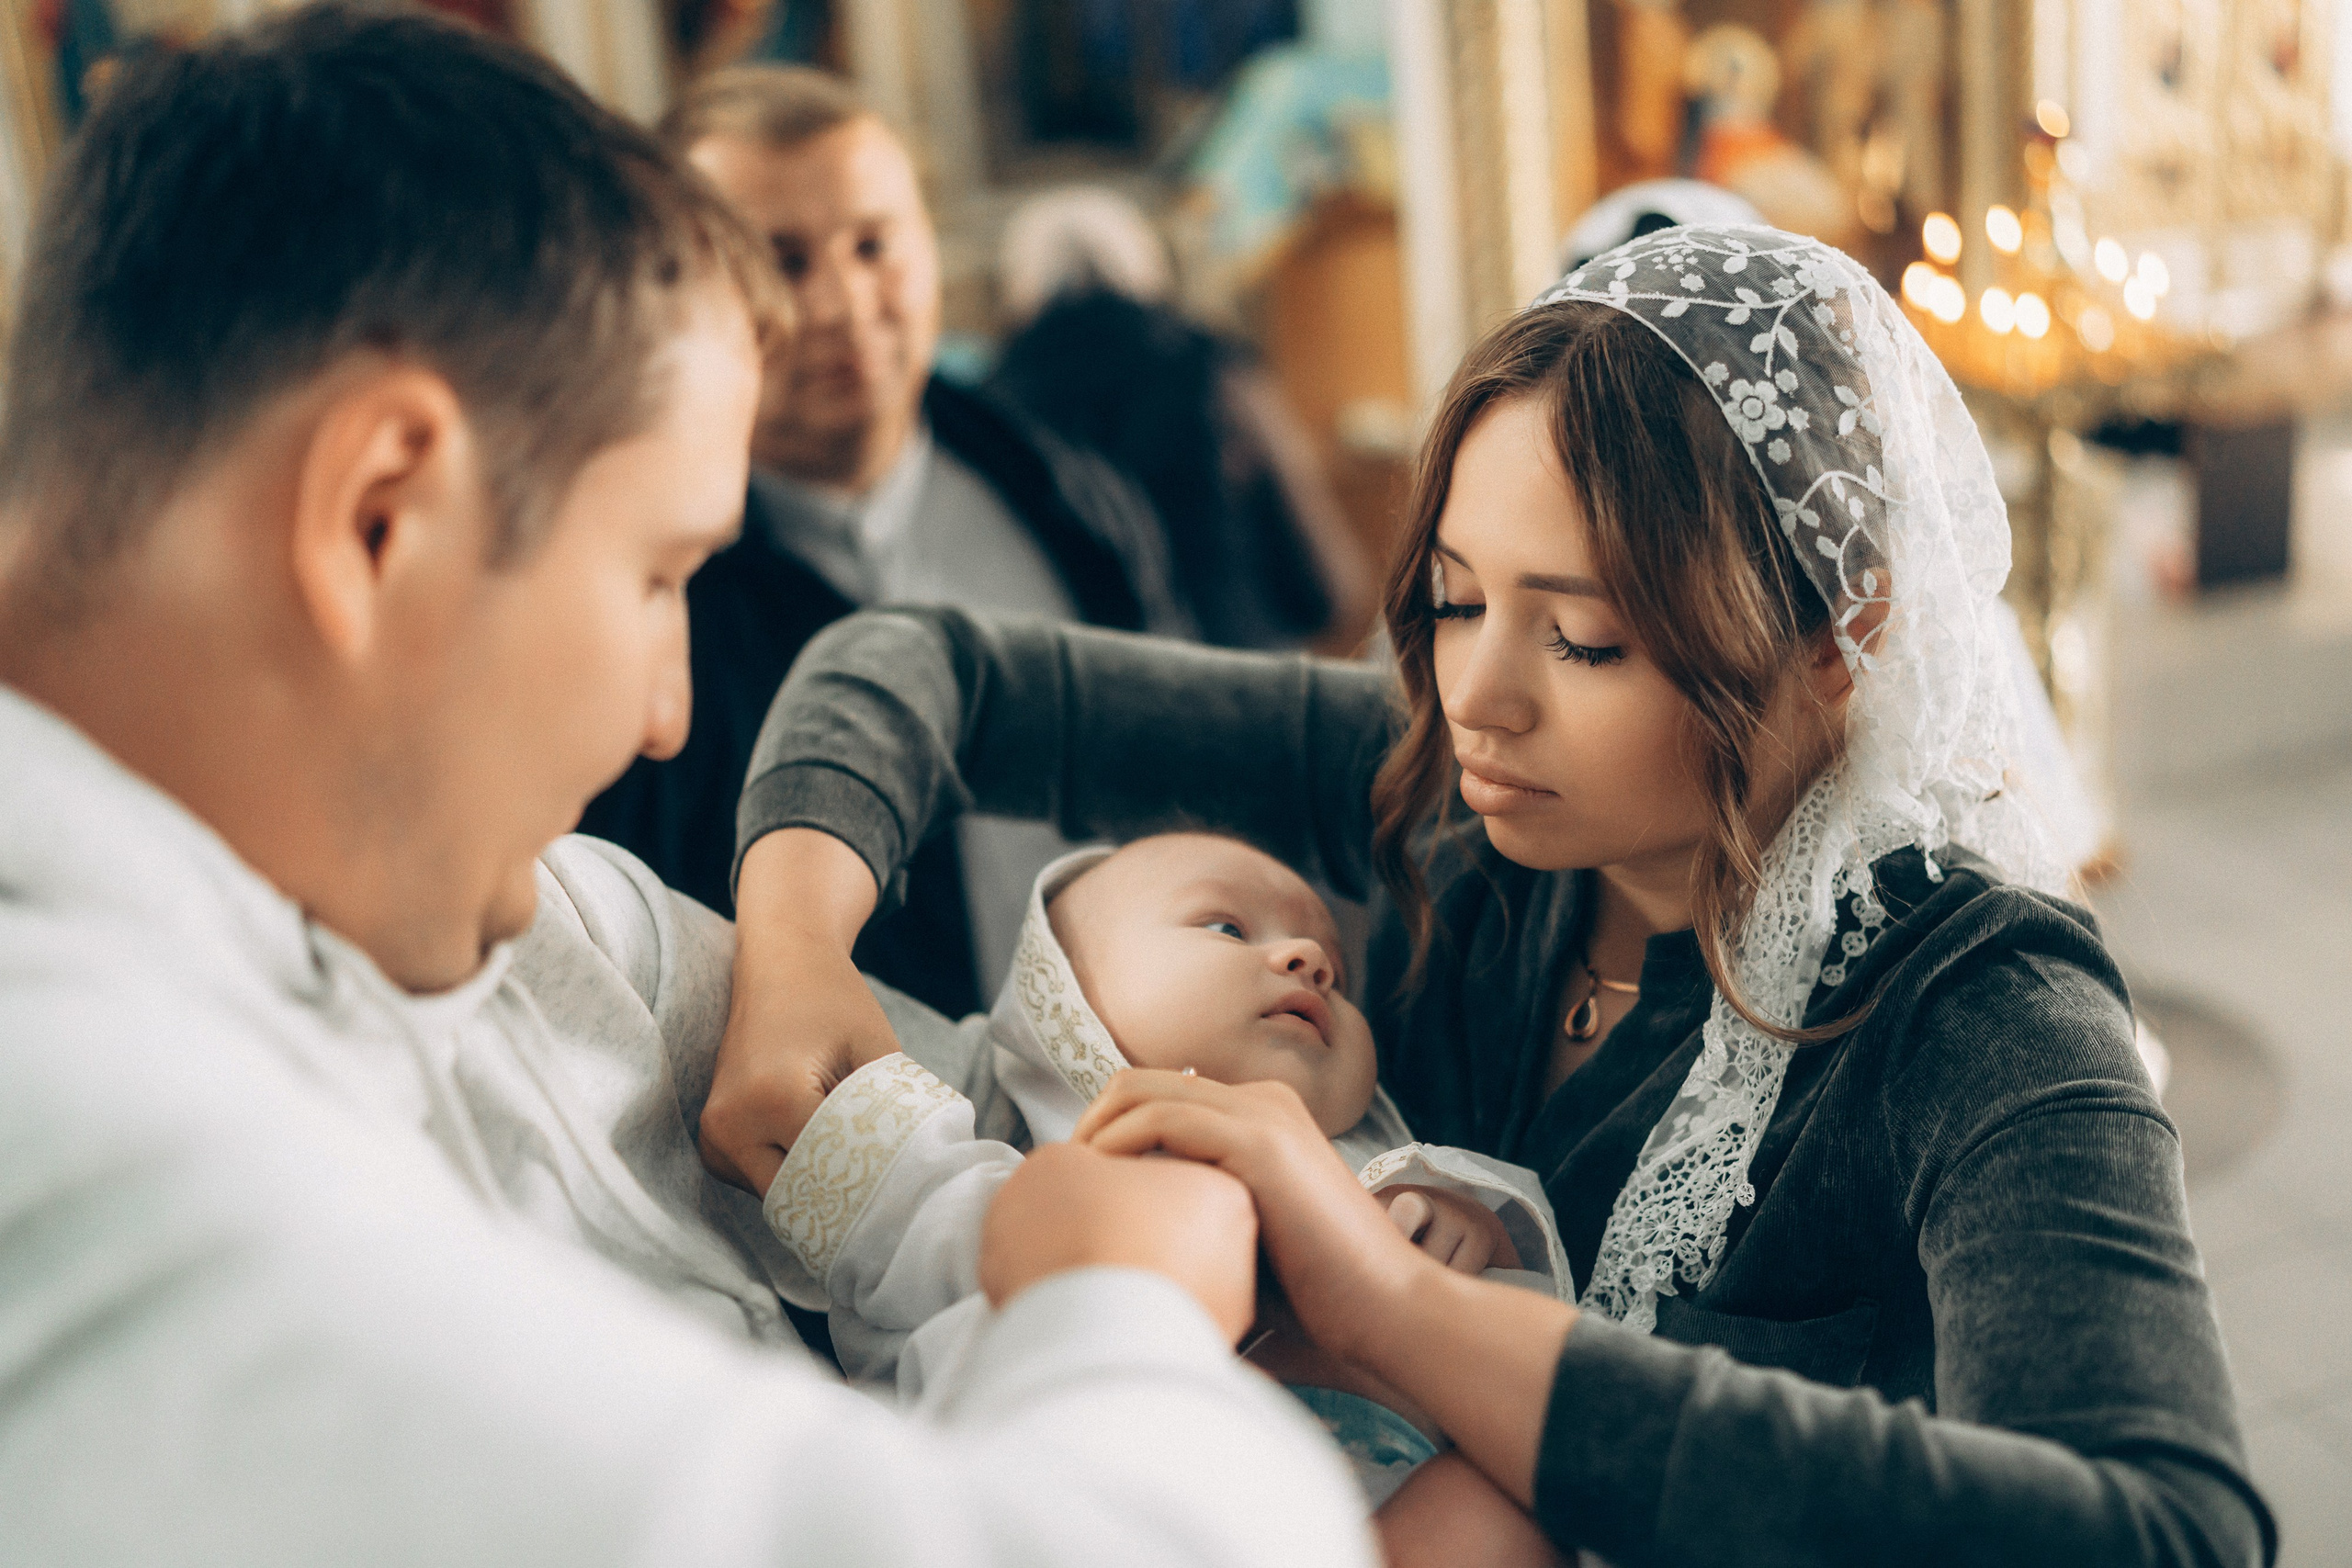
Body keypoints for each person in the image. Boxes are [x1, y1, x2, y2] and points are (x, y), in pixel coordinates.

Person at [0, 10, 1373, 1564]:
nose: (668, 720)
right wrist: (1124, 1297)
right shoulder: (75, 1138)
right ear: (381, 518)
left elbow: (983, 1107)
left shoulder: (561, 926)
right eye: (662, 576)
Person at [704, 225, 2274, 1565]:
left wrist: (1393, 1305)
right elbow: (929, 667)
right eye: (1455, 600)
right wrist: (791, 943)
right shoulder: (1457, 801)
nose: (1480, 699)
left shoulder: (1980, 1009)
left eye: (1582, 638)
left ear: (1837, 640)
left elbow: (2161, 1524)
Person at [579, 66, 1186, 1021]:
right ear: (681, 286)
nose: (842, 302)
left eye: (873, 244)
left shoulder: (1073, 499)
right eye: (781, 259)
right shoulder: (642, 591)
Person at [762, 831, 1568, 1529]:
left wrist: (1476, 1236)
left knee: (1500, 1512)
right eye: (1226, 925)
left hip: (1379, 1507)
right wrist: (852, 1126)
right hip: (1112, 1471)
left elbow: (1530, 1350)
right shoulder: (1022, 1152)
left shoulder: (1382, 1173)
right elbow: (905, 1201)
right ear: (1062, 996)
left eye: (1339, 972)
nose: (1312, 960)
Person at [991, 186, 1380, 651]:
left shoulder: (998, 399)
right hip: (1234, 671)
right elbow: (1325, 571)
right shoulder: (1211, 368)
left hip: (1079, 690)